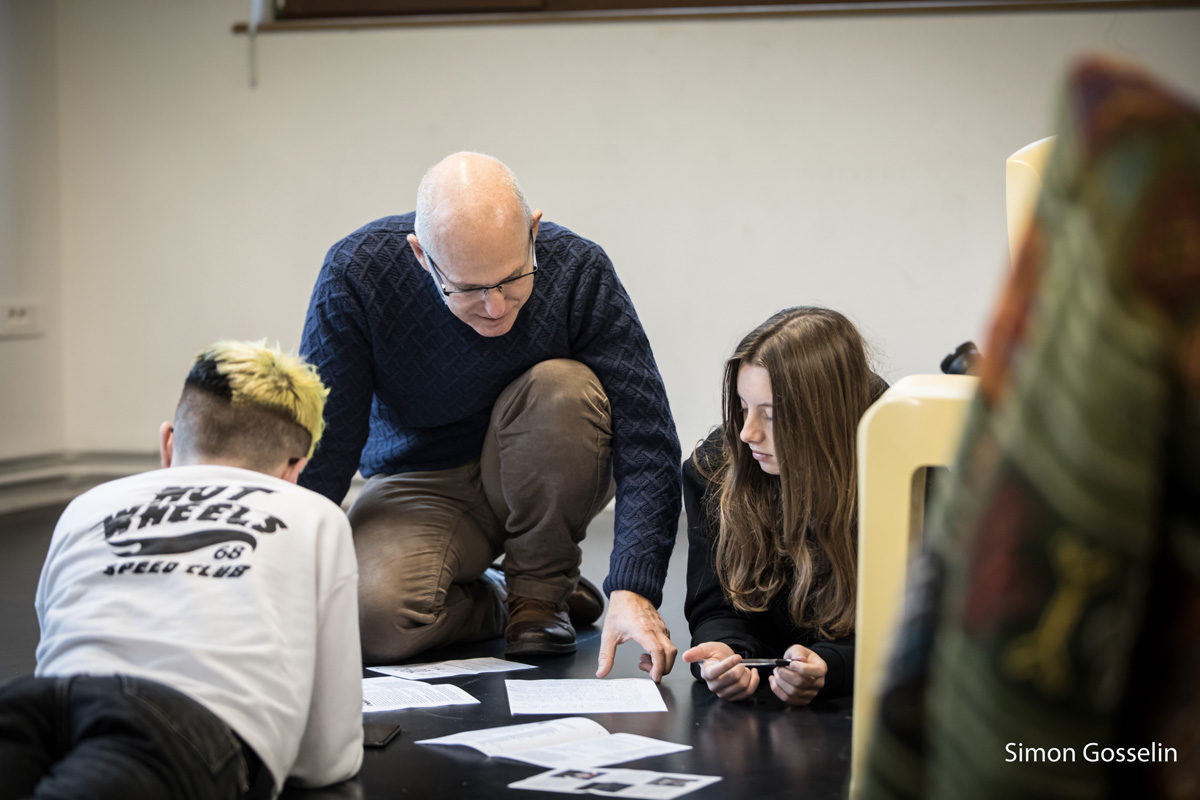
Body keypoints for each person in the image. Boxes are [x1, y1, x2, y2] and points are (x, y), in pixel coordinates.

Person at [299, 152, 681, 676]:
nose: (496, 306)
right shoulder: (356, 273)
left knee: (563, 387)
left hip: (548, 459)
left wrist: (633, 589)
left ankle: (541, 597)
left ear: (533, 230)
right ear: (419, 256)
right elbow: (324, 443)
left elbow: (648, 438)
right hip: (421, 482)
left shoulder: (579, 269)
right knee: (370, 620)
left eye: (511, 278)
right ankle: (504, 594)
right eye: (469, 289)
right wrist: (280, 576)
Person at [0, 341, 363, 799]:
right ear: (297, 468)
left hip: (41, 700)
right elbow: (326, 757)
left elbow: (52, 630)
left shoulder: (87, 505)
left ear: (169, 442)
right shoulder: (314, 515)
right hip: (179, 724)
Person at [681, 307, 885, 705]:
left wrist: (834, 668)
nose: (747, 432)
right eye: (742, 407)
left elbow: (920, 635)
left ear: (826, 419)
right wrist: (721, 652)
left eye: (771, 416)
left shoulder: (902, 477)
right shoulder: (715, 470)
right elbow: (716, 607)